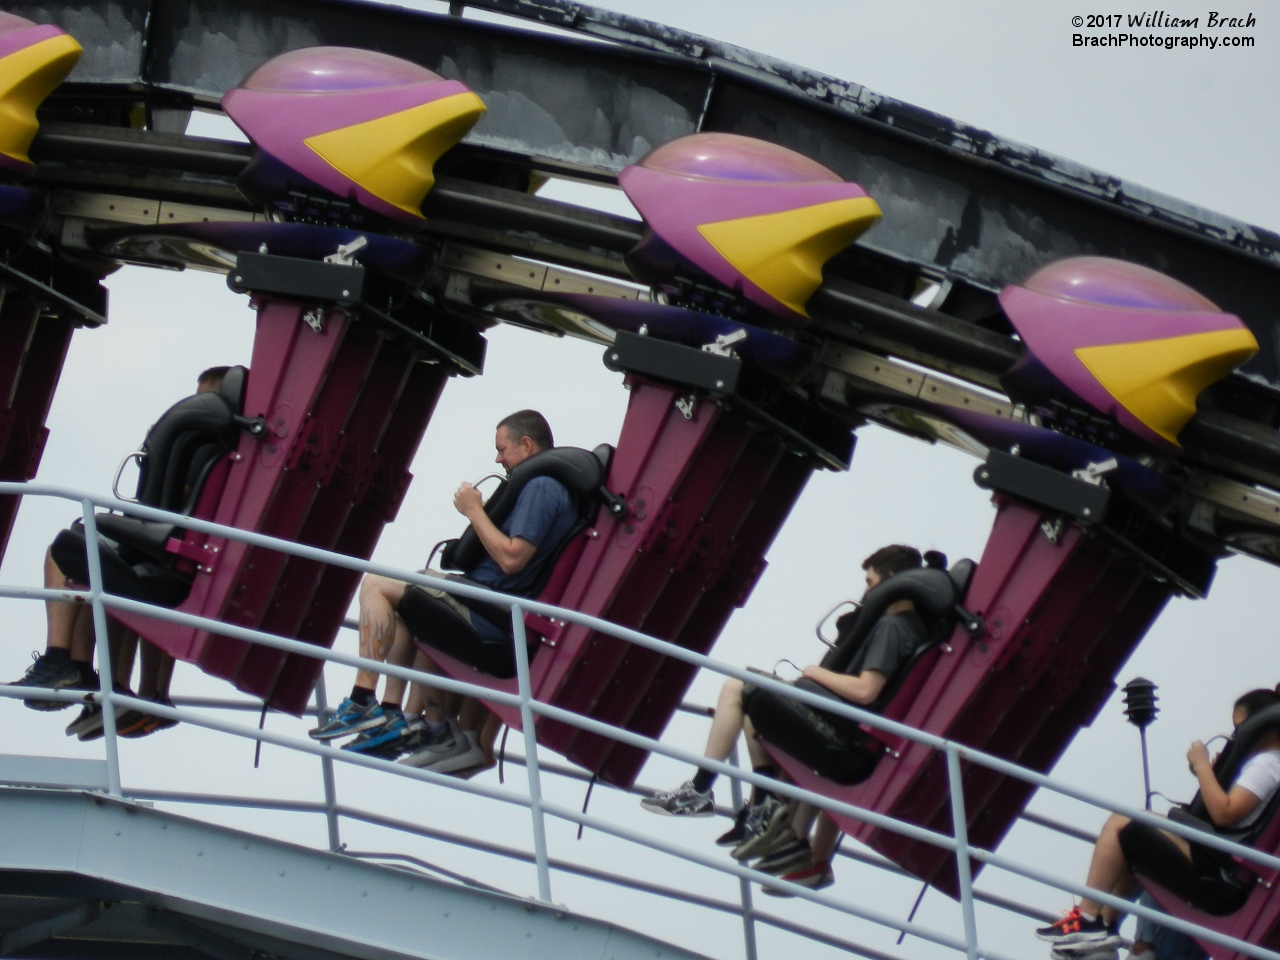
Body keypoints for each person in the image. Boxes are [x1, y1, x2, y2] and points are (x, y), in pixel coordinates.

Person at [640, 544, 930, 888]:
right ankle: (763, 810)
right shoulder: (915, 628)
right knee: (757, 700)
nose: (866, 592)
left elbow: (867, 690)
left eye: (870, 582)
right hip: (852, 735)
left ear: (891, 582)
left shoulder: (892, 627)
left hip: (842, 738)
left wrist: (813, 674)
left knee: (739, 687)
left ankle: (701, 791)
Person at [309, 410, 579, 771]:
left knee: (375, 584)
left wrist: (474, 511)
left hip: (488, 615)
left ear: (526, 445)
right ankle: (390, 712)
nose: (497, 459)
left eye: (502, 449)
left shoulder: (542, 486)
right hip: (482, 605)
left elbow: (513, 559)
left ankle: (362, 700)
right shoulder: (540, 485)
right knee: (402, 603)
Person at [8, 366, 231, 730]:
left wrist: (163, 456)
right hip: (185, 555)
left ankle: (63, 661)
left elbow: (173, 498)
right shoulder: (224, 448)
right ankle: (129, 690)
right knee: (110, 568)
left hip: (167, 548)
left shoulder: (200, 443)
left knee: (64, 551)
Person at [1036, 688, 1280, 960]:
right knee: (1136, 835)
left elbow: (1224, 813)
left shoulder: (1268, 763)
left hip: (1222, 872)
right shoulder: (1265, 763)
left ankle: (1089, 919)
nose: (1236, 738)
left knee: (1122, 825)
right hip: (1222, 861)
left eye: (1240, 728)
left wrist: (1202, 768)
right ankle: (1103, 928)